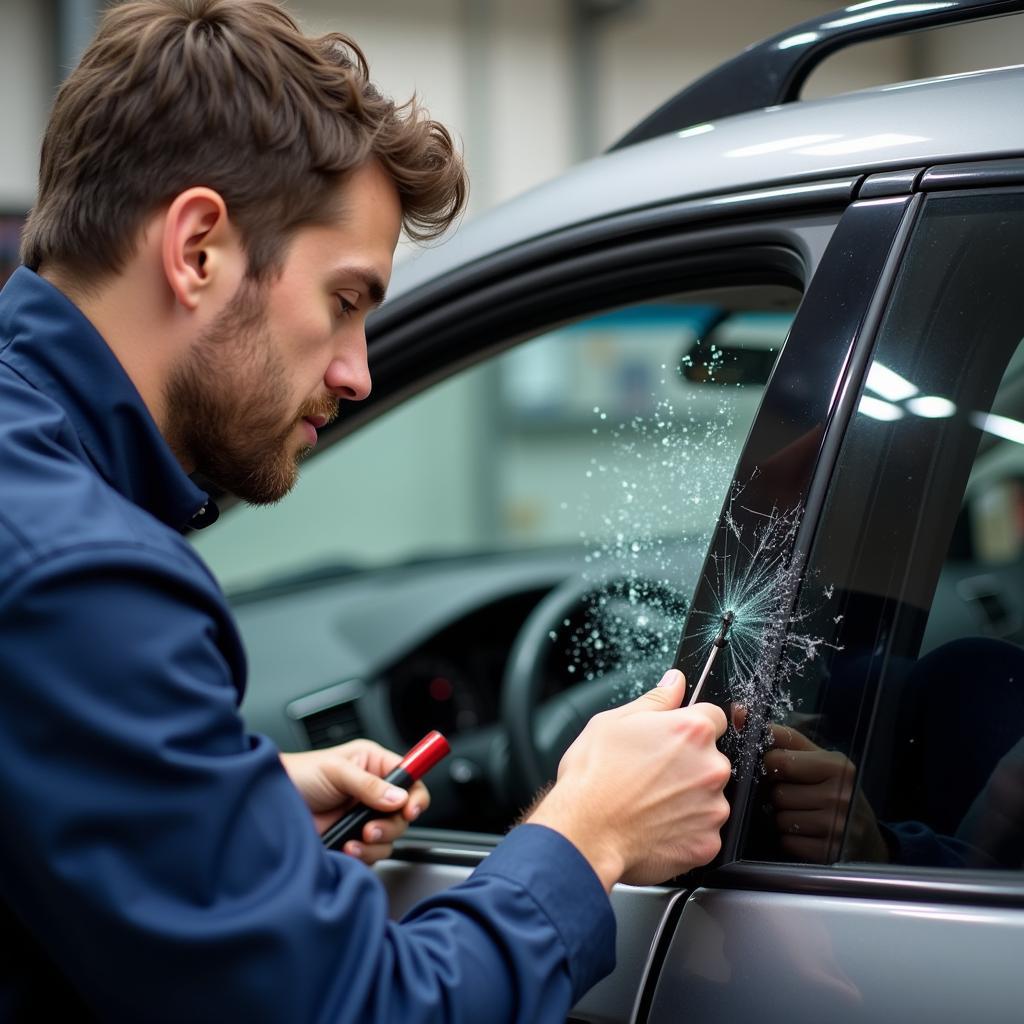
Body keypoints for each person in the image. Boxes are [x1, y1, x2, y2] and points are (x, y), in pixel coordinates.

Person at [0, 1, 733, 1020]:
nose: (356, 373)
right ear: (199, 248)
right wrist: (588, 829)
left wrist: (229, 797)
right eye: (345, 301)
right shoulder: (82, 577)